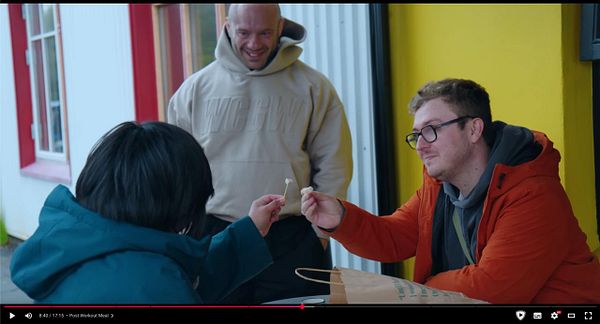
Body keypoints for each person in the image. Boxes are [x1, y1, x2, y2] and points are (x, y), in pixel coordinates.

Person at [301, 78, 600, 304]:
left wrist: (423, 287)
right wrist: (341, 219)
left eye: (431, 129)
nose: (420, 145)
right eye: (416, 135)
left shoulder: (534, 195)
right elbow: (394, 238)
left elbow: (493, 288)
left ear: (473, 130)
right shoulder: (439, 188)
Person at [168, 4, 352, 304]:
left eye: (265, 32)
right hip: (215, 235)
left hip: (292, 238)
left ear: (280, 27)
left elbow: (334, 165)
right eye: (244, 33)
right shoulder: (194, 91)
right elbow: (177, 172)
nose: (254, 44)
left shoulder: (314, 87)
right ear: (228, 27)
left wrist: (320, 235)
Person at [10, 121, 285, 304]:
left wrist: (250, 231)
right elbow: (169, 283)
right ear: (176, 201)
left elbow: (189, 275)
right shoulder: (151, 284)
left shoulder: (75, 242)